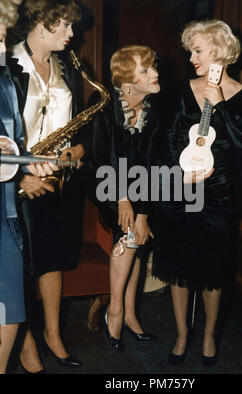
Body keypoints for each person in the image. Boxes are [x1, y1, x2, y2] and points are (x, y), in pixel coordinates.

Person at [152, 19, 242, 366]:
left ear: (218, 50)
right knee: (179, 267)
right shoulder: (180, 89)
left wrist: (221, 105)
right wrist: (180, 173)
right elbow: (164, 139)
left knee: (213, 270)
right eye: (190, 52)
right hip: (180, 189)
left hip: (218, 193)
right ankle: (183, 333)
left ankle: (210, 335)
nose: (192, 58)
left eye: (197, 50)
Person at [8, 0, 89, 373]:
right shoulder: (9, 62)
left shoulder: (68, 66)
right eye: (67, 25)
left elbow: (78, 123)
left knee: (52, 260)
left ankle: (54, 335)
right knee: (20, 270)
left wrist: (78, 147)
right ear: (43, 22)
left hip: (58, 178)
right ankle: (26, 346)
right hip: (17, 182)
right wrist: (20, 175)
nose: (73, 34)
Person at [0, 0, 58, 374]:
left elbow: (12, 138)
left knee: (10, 305)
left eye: (3, 36)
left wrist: (23, 161)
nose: (3, 47)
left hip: (4, 209)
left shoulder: (4, 79)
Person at [91, 45, 161, 351]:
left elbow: (152, 163)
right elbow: (98, 159)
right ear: (127, 81)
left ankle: (130, 313)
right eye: (146, 70)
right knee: (130, 232)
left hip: (141, 188)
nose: (156, 73)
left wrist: (143, 210)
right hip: (104, 183)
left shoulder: (154, 109)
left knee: (140, 235)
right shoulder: (105, 104)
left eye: (153, 66)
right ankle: (116, 310)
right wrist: (121, 198)